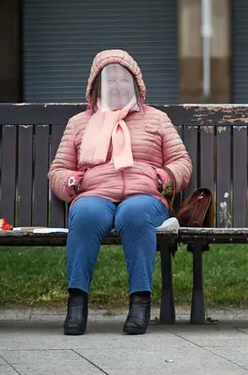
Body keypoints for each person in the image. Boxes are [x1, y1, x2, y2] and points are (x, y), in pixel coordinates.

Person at [48, 50, 192, 336]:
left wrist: (166, 177)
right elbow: (58, 170)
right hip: (96, 193)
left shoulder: (157, 119)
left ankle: (140, 303)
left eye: (124, 80)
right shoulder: (80, 122)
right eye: (109, 80)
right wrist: (72, 182)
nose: (117, 86)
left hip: (145, 195)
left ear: (136, 85)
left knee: (135, 214)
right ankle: (76, 303)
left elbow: (181, 161)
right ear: (97, 87)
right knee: (85, 214)